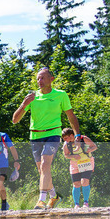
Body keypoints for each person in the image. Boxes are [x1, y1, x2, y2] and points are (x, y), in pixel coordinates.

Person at [11, 67, 81, 210]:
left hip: (53, 134)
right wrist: (24, 104)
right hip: (35, 136)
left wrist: (77, 135)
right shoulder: (32, 97)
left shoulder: (61, 95)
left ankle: (41, 200)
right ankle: (54, 196)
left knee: (45, 165)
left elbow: (70, 116)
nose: (39, 81)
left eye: (43, 78)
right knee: (42, 170)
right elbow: (15, 120)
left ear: (51, 79)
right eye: (38, 78)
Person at [61, 127, 97, 209]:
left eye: (66, 138)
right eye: (64, 139)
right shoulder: (66, 144)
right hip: (75, 164)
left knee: (84, 182)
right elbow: (66, 155)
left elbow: (94, 146)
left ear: (71, 135)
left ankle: (86, 203)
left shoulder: (83, 139)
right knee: (76, 184)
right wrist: (74, 156)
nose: (65, 140)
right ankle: (76, 204)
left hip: (86, 162)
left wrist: (89, 150)